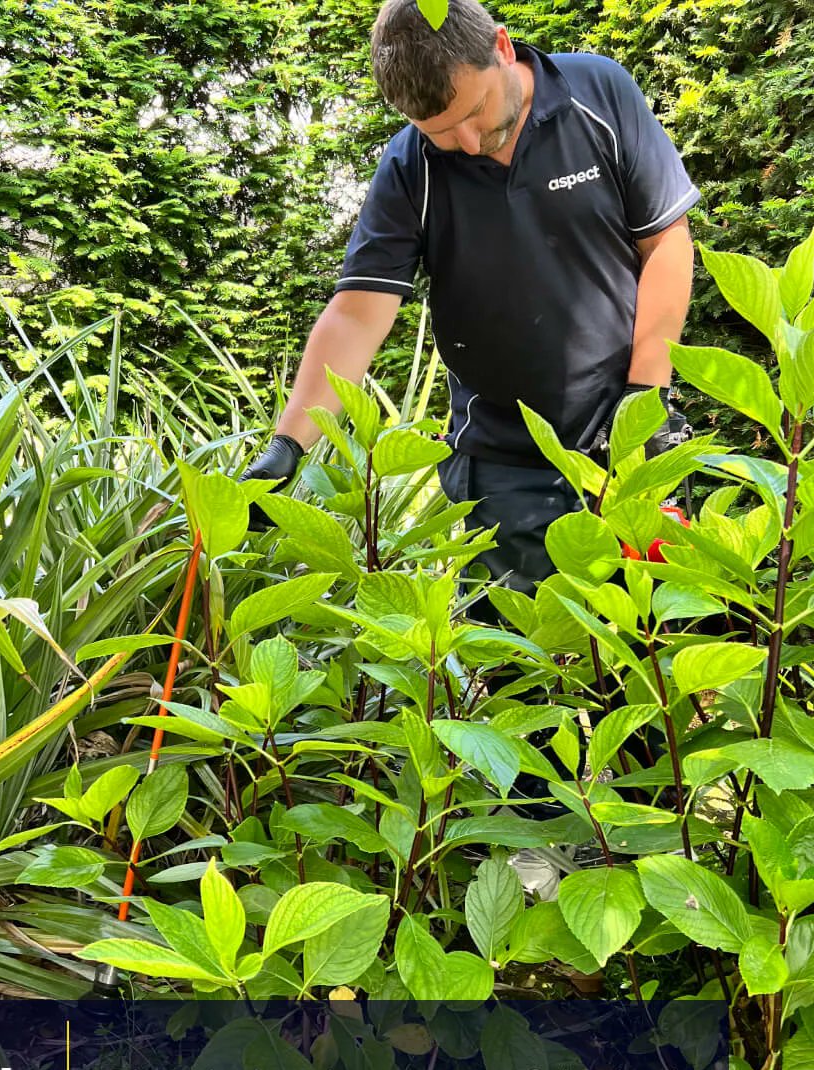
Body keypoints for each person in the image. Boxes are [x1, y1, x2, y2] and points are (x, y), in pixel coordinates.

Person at [243, 0, 699, 615]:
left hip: (629, 441)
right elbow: (357, 313)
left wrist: (646, 401)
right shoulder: (410, 168)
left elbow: (665, 242)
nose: (465, 142)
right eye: (438, 132)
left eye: (474, 112)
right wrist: (288, 447)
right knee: (521, 681)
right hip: (502, 466)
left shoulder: (599, 93)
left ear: (503, 48)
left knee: (652, 666)